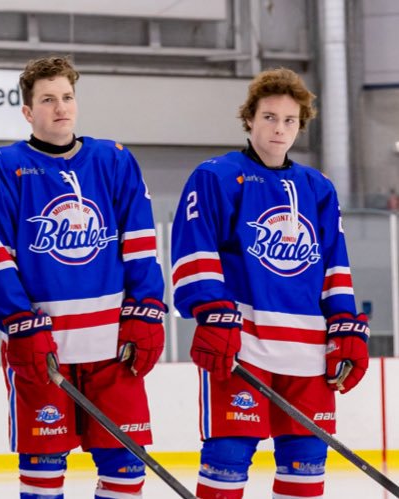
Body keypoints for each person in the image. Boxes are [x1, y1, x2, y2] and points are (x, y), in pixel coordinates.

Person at [0, 55, 165, 499]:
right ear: (27, 111)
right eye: (47, 99)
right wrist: (18, 321)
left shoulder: (114, 160)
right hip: (44, 348)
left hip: (114, 348)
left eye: (67, 97)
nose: (60, 107)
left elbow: (139, 243)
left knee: (125, 468)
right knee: (43, 471)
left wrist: (147, 310)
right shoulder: (2, 167)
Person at [171, 68, 367, 499]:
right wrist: (211, 312)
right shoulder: (217, 176)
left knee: (306, 463)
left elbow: (335, 263)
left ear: (301, 125)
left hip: (309, 351)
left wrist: (345, 325)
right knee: (227, 457)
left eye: (290, 120)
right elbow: (195, 250)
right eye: (270, 117)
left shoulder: (318, 187)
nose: (280, 129)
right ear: (250, 119)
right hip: (243, 344)